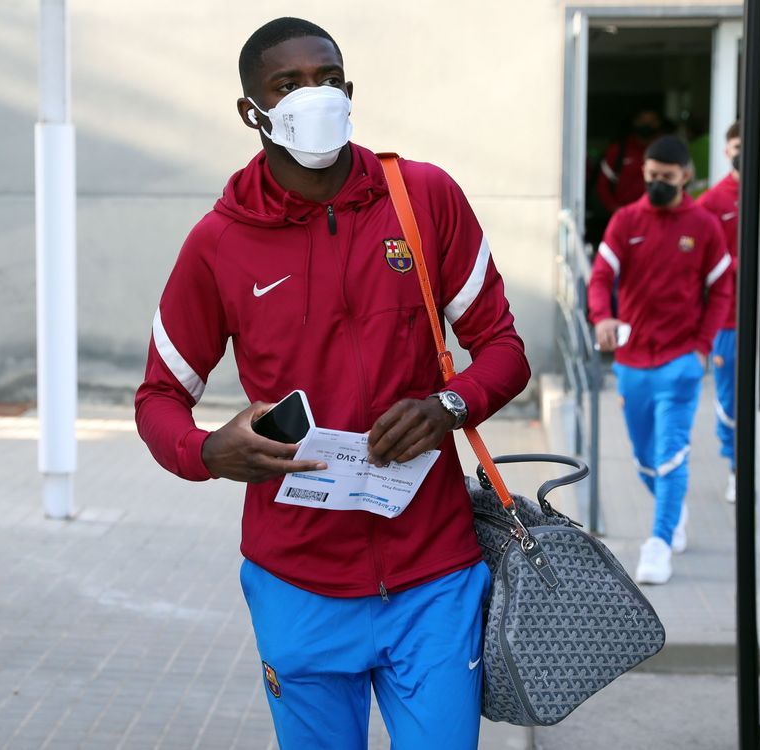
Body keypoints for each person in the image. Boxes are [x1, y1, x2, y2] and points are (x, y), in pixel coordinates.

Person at [134, 17, 529, 749]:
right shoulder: (219, 242)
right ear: (251, 110)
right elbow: (158, 398)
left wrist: (450, 405)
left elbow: (503, 350)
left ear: (350, 92)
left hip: (433, 576)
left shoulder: (424, 199)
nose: (311, 96)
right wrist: (203, 452)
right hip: (296, 584)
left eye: (327, 80)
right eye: (287, 84)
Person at [587, 135, 734, 585]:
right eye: (651, 177)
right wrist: (602, 317)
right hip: (632, 362)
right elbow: (600, 277)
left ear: (685, 176)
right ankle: (674, 510)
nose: (655, 184)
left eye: (665, 178)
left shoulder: (704, 225)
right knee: (644, 458)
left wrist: (702, 348)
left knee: (672, 455)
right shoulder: (625, 220)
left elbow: (722, 289)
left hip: (680, 362)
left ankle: (659, 542)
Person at [698, 122, 742, 503]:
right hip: (727, 321)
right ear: (727, 151)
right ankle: (734, 467)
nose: (742, 151)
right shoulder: (713, 201)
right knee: (729, 399)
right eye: (736, 145)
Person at [592, 109, 664, 217]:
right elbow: (602, 186)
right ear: (635, 122)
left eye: (652, 121)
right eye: (643, 120)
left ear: (658, 123)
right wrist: (615, 209)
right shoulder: (618, 151)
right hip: (625, 216)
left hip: (658, 216)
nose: (647, 125)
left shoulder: (665, 150)